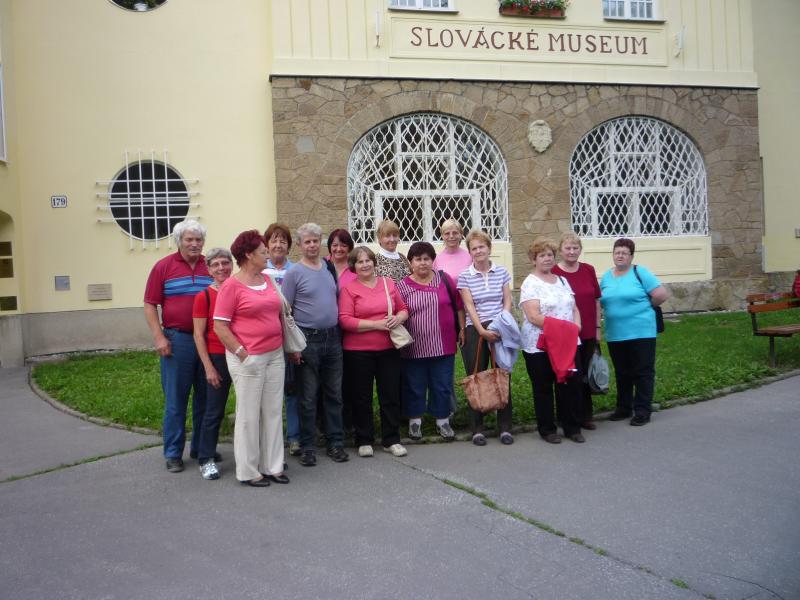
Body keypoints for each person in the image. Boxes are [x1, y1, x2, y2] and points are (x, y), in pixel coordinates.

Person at [213, 230, 288, 487]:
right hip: (249, 358)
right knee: (248, 416)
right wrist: (243, 354)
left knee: (273, 411)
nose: (268, 255)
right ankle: (248, 471)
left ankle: (273, 466)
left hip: (275, 354)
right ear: (248, 255)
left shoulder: (268, 279)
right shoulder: (231, 286)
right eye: (263, 252)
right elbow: (220, 326)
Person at [144, 219, 213, 473]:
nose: (194, 244)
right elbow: (150, 303)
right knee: (176, 400)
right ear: (179, 241)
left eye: (198, 239)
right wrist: (159, 336)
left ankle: (201, 448)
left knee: (206, 398)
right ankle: (173, 453)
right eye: (189, 239)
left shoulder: (211, 265)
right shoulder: (163, 267)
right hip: (178, 340)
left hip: (208, 341)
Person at [282, 223, 349, 466]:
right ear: (299, 245)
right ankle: (308, 447)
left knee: (334, 395)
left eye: (315, 241)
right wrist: (293, 347)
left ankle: (335, 443)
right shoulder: (294, 273)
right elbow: (286, 312)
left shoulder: (328, 268)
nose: (312, 245)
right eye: (307, 241)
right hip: (307, 340)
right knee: (308, 397)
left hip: (333, 338)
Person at [339, 246, 409, 458]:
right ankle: (364, 439)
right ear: (354, 266)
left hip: (388, 349)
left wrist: (398, 318)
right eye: (360, 262)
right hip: (358, 352)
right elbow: (345, 320)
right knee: (361, 397)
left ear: (374, 262)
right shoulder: (349, 289)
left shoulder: (388, 283)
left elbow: (403, 309)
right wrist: (376, 325)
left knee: (390, 395)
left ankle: (391, 439)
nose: (365, 265)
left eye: (368, 260)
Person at [397, 242, 464, 442]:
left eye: (426, 258)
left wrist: (462, 329)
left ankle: (442, 421)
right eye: (418, 259)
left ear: (433, 261)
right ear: (411, 262)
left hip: (443, 344)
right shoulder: (402, 286)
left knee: (442, 384)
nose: (422, 263)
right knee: (414, 385)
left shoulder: (445, 280)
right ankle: (415, 422)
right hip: (413, 347)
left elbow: (459, 306)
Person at [520, 237, 585, 444]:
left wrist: (577, 327)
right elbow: (533, 316)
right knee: (544, 388)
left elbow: (574, 308)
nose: (547, 259)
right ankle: (547, 430)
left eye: (550, 255)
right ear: (534, 259)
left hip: (568, 343)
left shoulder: (562, 281)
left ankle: (572, 427)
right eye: (542, 255)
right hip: (540, 345)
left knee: (569, 384)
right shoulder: (530, 283)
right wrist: (565, 329)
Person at [600, 238, 669, 426]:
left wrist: (644, 307)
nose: (620, 256)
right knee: (622, 372)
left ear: (631, 256)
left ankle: (642, 410)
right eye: (617, 252)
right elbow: (601, 301)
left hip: (641, 332)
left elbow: (661, 295)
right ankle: (624, 408)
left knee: (642, 372)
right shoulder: (606, 277)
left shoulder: (640, 272)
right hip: (616, 333)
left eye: (624, 253)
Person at [457, 230, 514, 446]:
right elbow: (469, 305)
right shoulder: (465, 276)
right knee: (476, 377)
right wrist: (481, 330)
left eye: (482, 246)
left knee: (502, 375)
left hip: (500, 327)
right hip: (475, 329)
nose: (478, 251)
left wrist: (502, 321)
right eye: (474, 248)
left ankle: (505, 428)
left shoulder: (502, 272)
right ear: (470, 252)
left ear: (489, 248)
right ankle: (477, 429)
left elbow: (507, 300)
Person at [192, 247, 234, 480]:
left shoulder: (238, 289)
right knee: (214, 411)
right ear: (208, 270)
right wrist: (208, 367)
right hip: (217, 358)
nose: (221, 268)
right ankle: (206, 458)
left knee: (249, 409)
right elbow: (199, 335)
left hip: (241, 356)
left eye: (225, 263)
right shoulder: (204, 297)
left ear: (232, 265)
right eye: (216, 264)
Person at [552, 232, 602, 430]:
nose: (572, 252)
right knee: (568, 375)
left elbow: (596, 301)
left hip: (588, 330)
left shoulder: (588, 269)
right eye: (568, 248)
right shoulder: (554, 272)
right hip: (566, 333)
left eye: (575, 248)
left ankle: (585, 415)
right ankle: (566, 416)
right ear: (560, 250)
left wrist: (597, 328)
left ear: (580, 250)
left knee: (585, 375)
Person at [262, 222, 301, 457]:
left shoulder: (296, 270)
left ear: (289, 246)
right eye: (274, 240)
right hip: (266, 337)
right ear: (266, 245)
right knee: (268, 391)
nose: (278, 245)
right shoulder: (259, 271)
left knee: (292, 388)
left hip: (290, 336)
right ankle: (270, 439)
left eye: (283, 241)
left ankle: (294, 436)